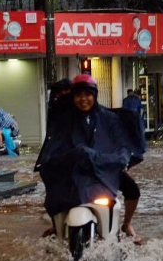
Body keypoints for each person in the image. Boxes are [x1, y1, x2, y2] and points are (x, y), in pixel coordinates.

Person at [37, 74, 146, 242]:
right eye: (79, 95)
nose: (83, 99)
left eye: (87, 95)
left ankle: (127, 224)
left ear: (94, 96)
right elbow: (54, 146)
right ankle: (57, 226)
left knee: (133, 190)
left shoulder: (109, 118)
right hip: (72, 169)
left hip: (102, 169)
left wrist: (119, 158)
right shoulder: (64, 119)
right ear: (73, 97)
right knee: (54, 192)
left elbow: (121, 143)